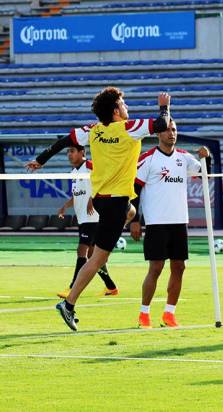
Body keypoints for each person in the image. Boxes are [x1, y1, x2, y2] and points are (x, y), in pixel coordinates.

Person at [25, 87, 171, 331]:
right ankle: (69, 304)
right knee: (98, 258)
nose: (127, 108)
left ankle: (74, 295)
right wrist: (164, 105)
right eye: (123, 105)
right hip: (113, 202)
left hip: (105, 200)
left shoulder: (92, 130)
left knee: (129, 214)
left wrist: (40, 160)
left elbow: (63, 141)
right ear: (116, 111)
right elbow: (162, 124)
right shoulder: (129, 127)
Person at [129, 119, 211, 328]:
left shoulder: (184, 158)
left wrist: (206, 157)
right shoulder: (148, 159)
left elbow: (203, 174)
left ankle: (169, 313)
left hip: (179, 221)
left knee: (179, 267)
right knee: (155, 267)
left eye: (174, 130)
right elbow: (135, 191)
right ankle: (144, 313)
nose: (171, 134)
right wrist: (135, 220)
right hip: (156, 222)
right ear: (158, 134)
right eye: (166, 130)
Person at [56, 143, 123, 299]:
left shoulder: (91, 166)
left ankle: (72, 288)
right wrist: (65, 206)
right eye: (68, 152)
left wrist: (93, 198)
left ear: (82, 152)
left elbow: (105, 181)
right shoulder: (73, 172)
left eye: (72, 151)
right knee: (94, 256)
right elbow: (78, 194)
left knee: (82, 250)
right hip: (83, 218)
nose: (69, 155)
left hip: (94, 217)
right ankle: (111, 287)